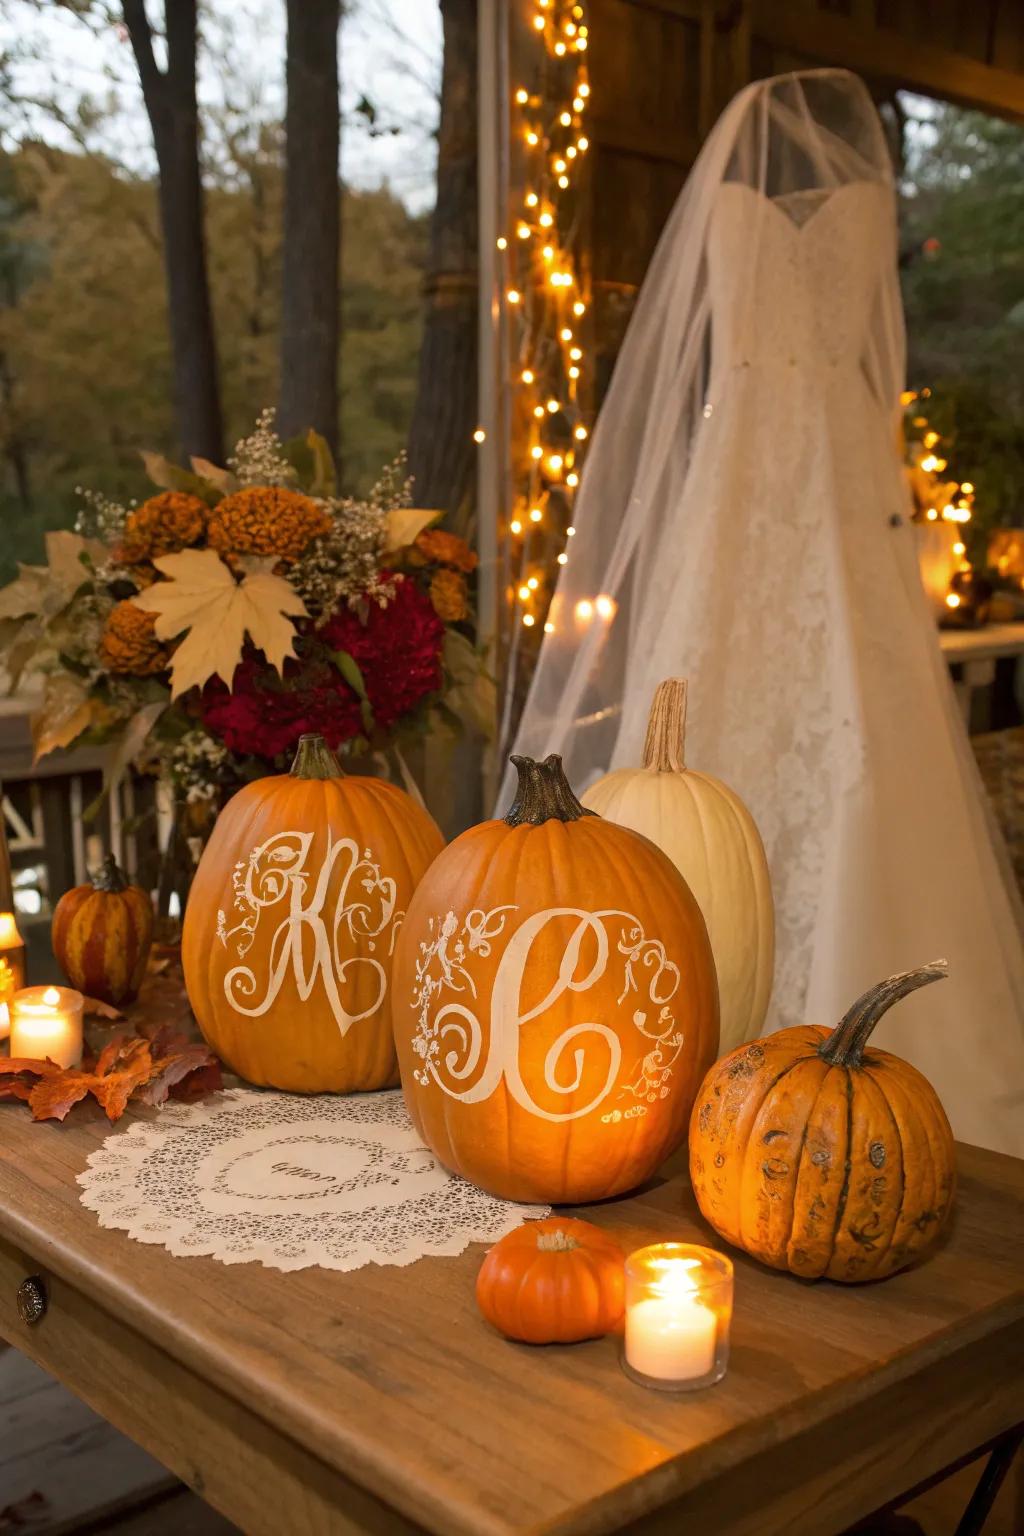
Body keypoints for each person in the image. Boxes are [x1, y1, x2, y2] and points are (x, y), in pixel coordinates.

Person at [505, 69, 1024, 1156]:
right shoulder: (734, 186)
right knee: (711, 717)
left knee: (856, 728)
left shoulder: (848, 189)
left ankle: (865, 1038)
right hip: (742, 478)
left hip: (836, 483)